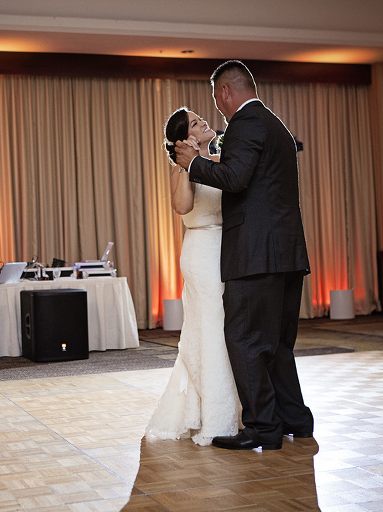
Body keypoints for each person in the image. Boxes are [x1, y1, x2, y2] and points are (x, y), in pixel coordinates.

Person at [174, 60, 313, 451]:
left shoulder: (246, 124)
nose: (216, 108)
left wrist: (193, 163)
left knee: (245, 339)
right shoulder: (276, 126)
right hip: (285, 254)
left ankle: (263, 427)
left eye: (216, 98)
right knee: (277, 345)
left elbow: (236, 179)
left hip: (256, 255)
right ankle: (295, 420)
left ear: (224, 93)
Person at [144, 108, 240, 446]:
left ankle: (230, 404)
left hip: (226, 249)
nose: (206, 122)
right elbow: (183, 208)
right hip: (201, 252)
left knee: (225, 325)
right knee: (209, 326)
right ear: (186, 137)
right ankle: (214, 410)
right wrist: (187, 164)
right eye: (197, 123)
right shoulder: (179, 170)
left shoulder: (220, 159)